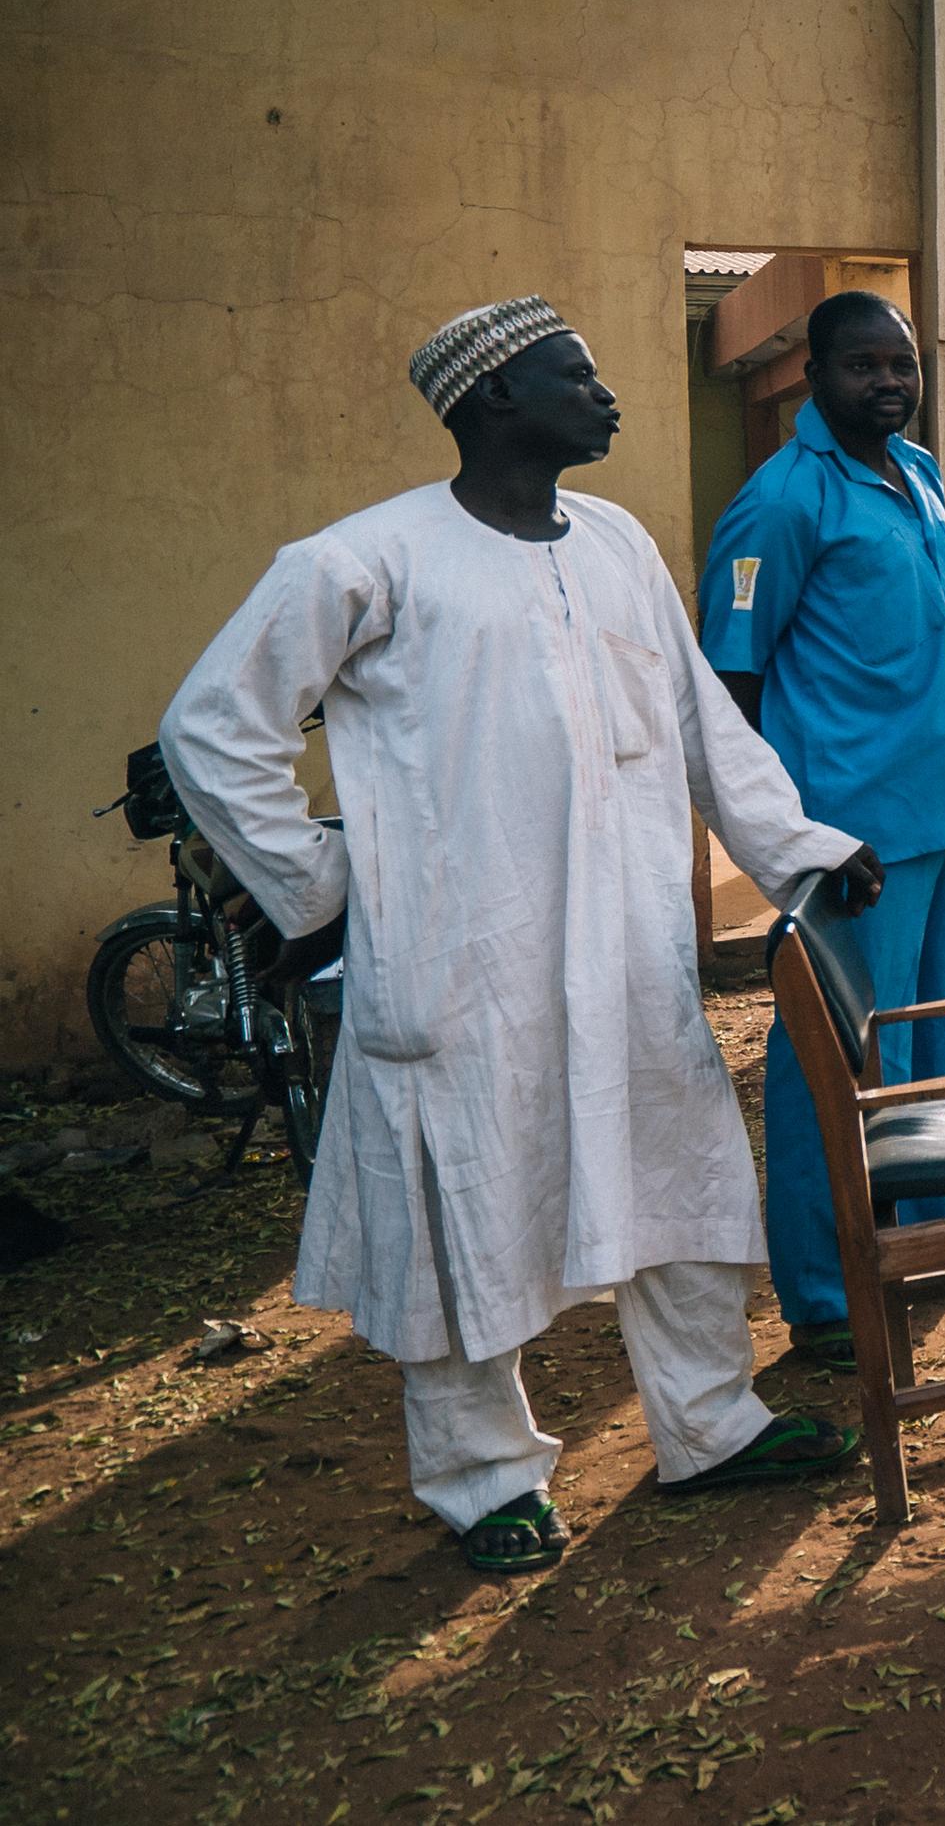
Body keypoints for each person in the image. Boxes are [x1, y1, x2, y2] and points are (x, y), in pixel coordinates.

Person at [161, 298, 883, 1578]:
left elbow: (705, 723)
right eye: (577, 376)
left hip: (628, 943)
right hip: (462, 961)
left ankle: (711, 1427)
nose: (606, 398)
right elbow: (215, 731)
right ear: (497, 399)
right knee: (463, 1209)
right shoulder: (361, 560)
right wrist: (324, 886)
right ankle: (483, 1478)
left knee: (681, 1179)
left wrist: (804, 851)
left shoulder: (616, 545)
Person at [699, 291, 945, 1372]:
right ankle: (826, 1292)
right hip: (851, 845)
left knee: (930, 1039)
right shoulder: (780, 504)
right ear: (813, 375)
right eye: (865, 365)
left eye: (903, 365)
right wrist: (782, 835)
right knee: (834, 1055)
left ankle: (922, 1239)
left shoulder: (914, 478)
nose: (889, 383)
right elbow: (728, 686)